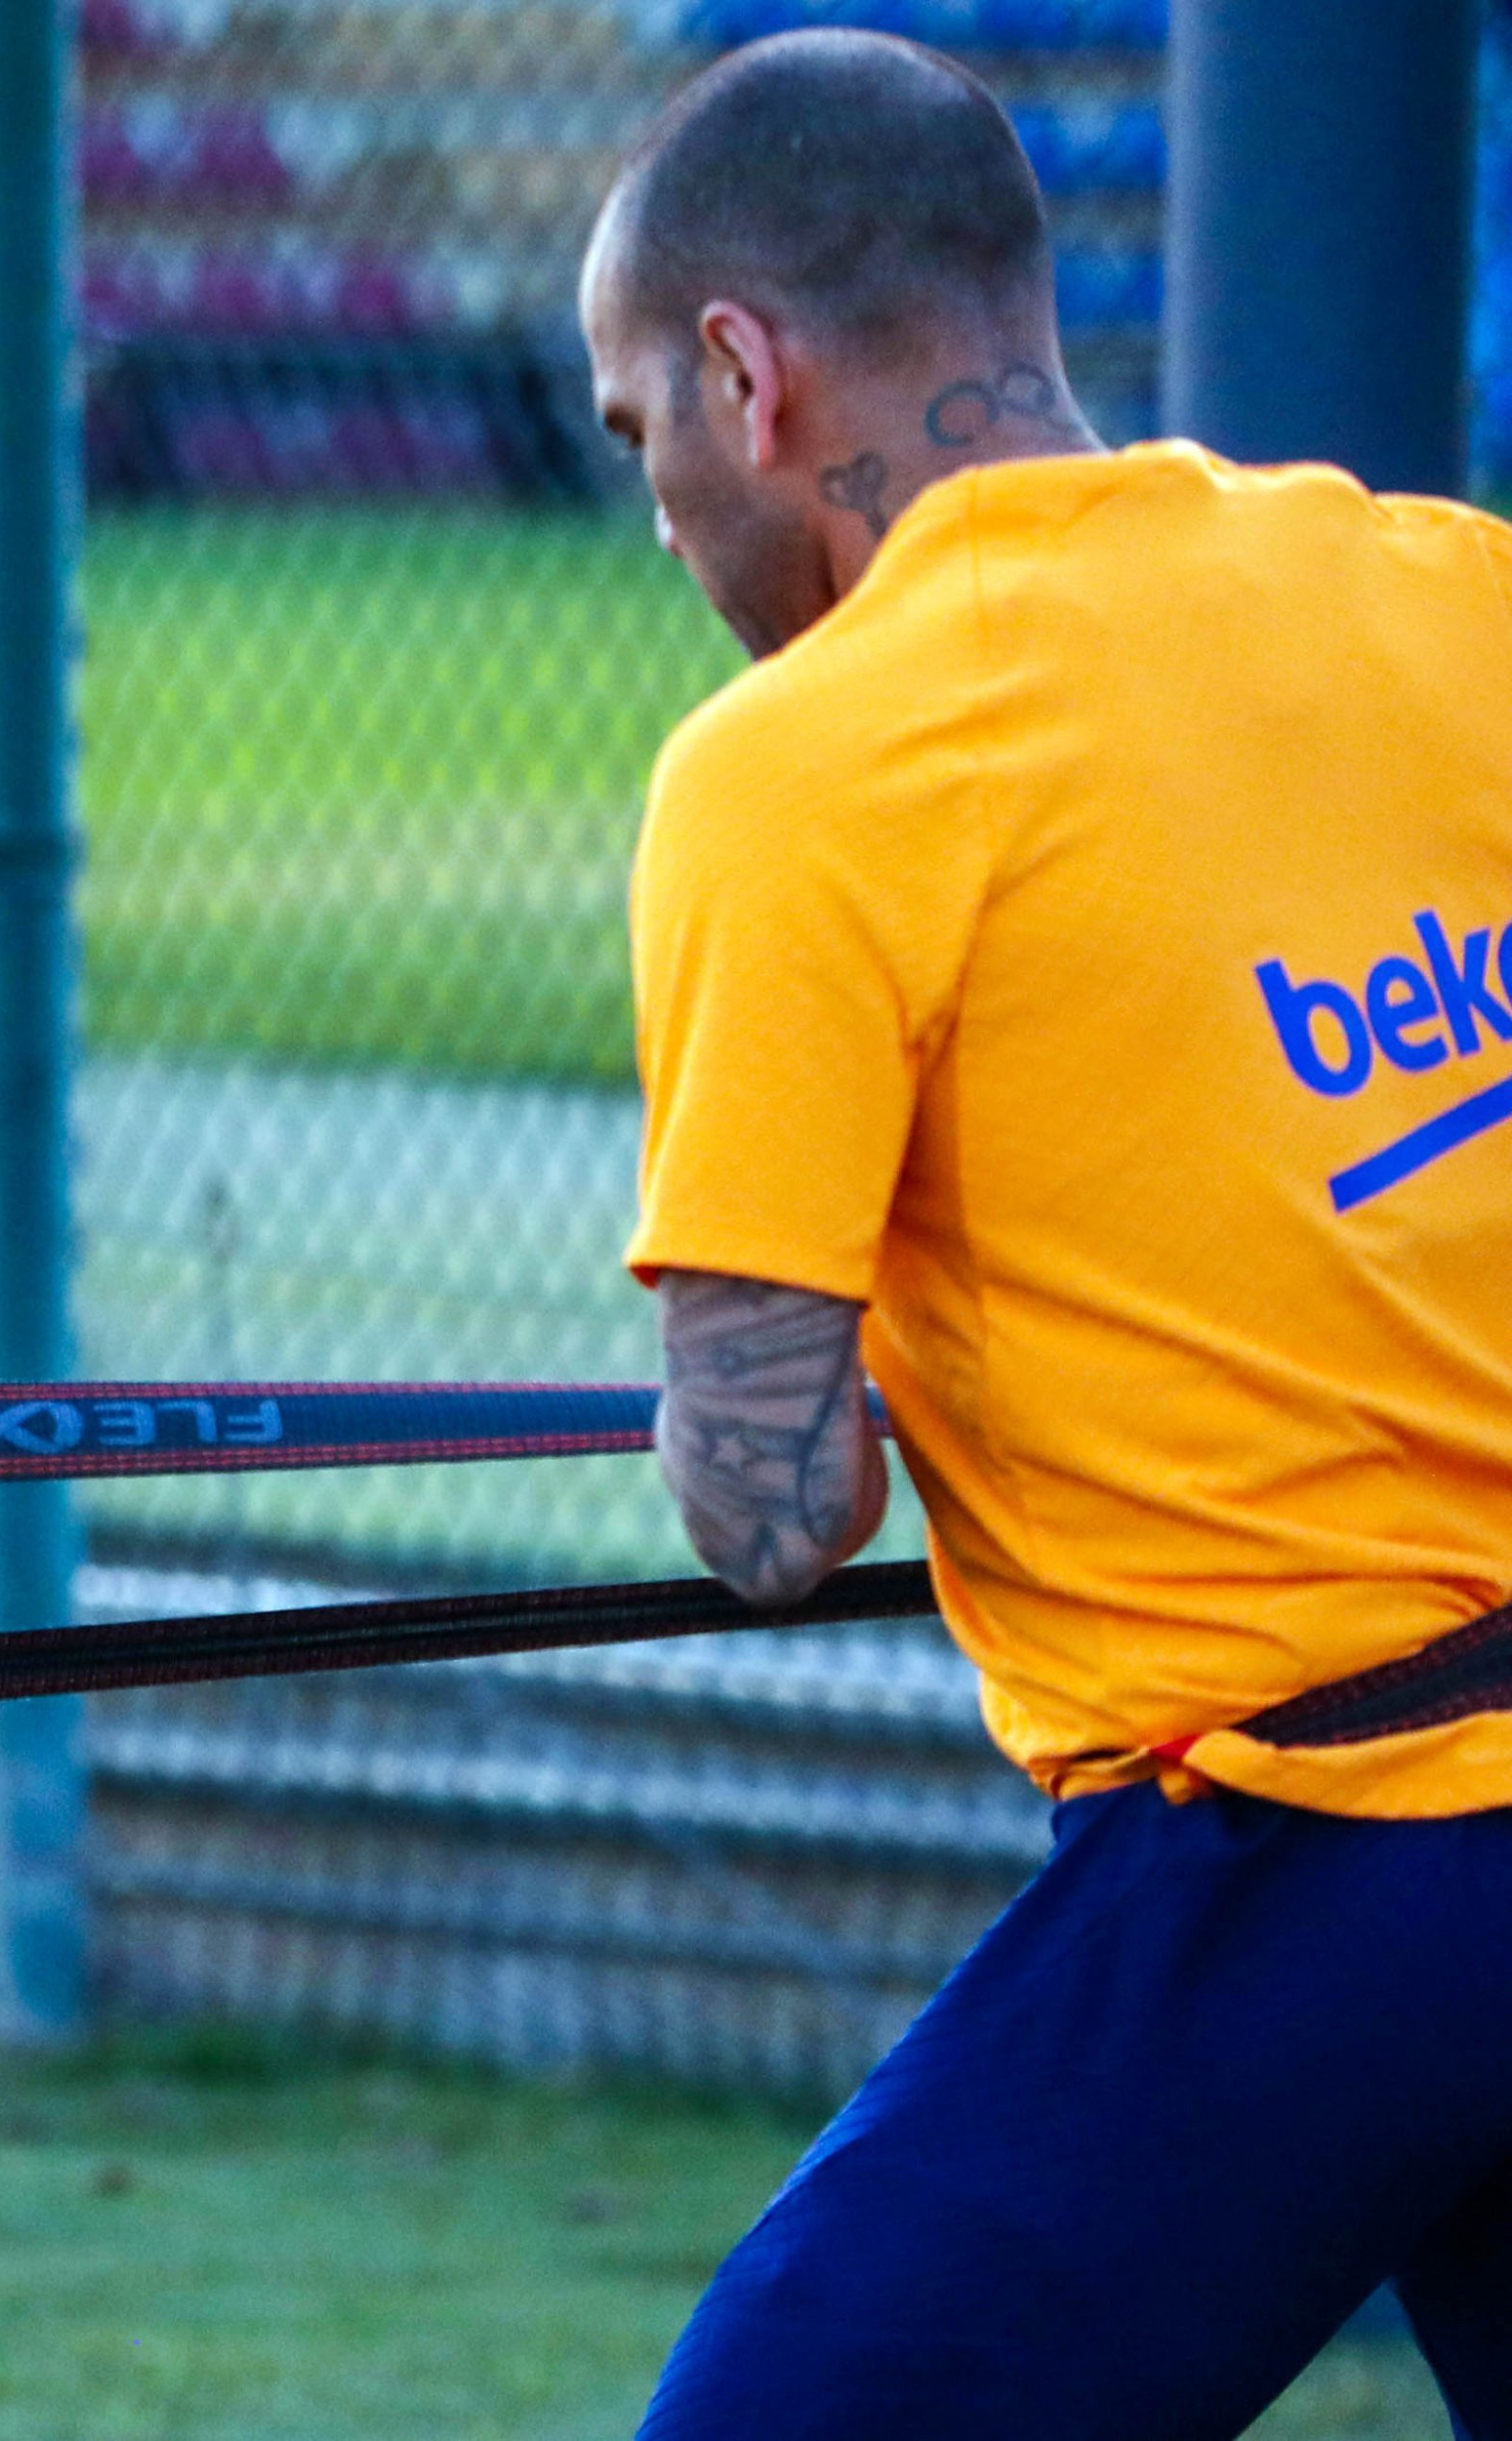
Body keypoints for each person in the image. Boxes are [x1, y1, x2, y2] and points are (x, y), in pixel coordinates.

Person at [586, 31, 1512, 2439]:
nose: (661, 513)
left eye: (634, 437)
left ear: (738, 374)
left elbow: (773, 1512)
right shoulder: (1446, 583)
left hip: (1323, 1849)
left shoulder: (800, 768)